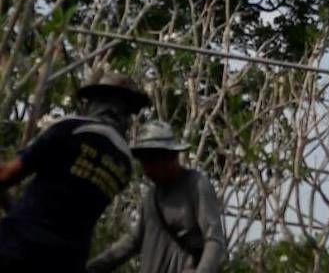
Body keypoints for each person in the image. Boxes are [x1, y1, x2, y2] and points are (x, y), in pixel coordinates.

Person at [0, 72, 150, 273]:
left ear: (97, 102)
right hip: (67, 261)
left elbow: (7, 175)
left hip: (18, 248)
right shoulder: (125, 164)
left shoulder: (70, 129)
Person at [87, 120, 227, 273]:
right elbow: (133, 241)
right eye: (144, 161)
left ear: (168, 158)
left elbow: (214, 239)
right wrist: (93, 267)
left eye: (150, 161)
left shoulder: (196, 185)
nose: (147, 169)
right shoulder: (151, 197)